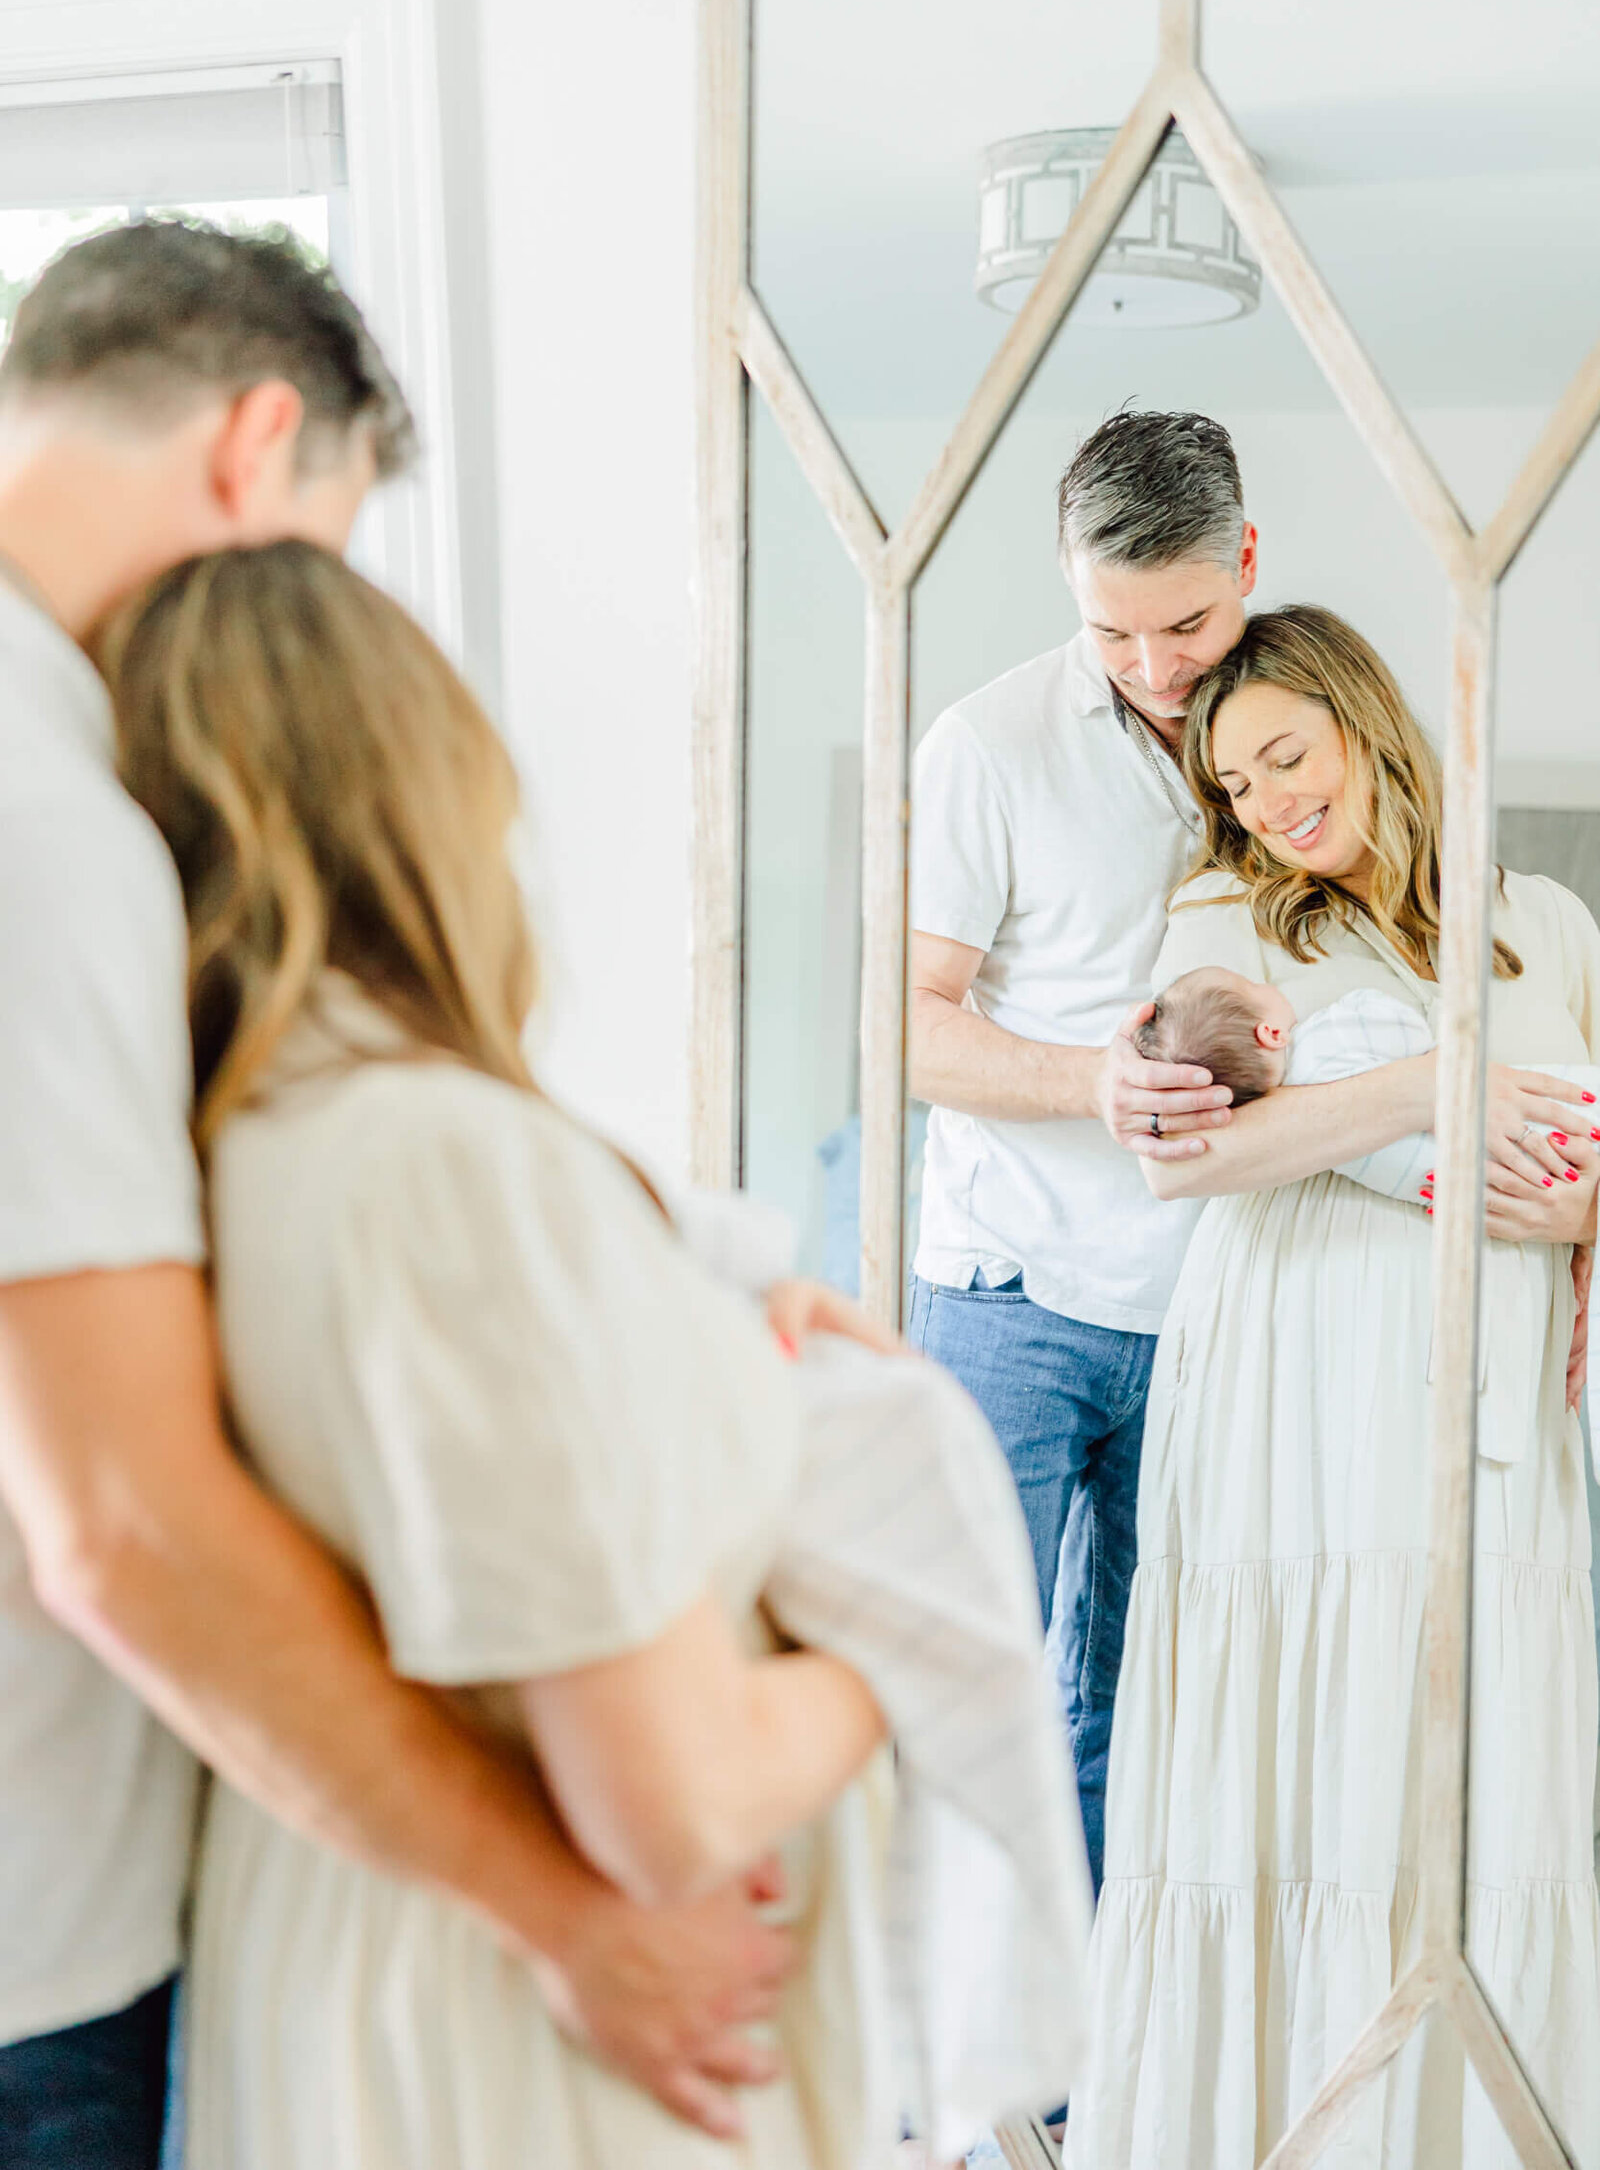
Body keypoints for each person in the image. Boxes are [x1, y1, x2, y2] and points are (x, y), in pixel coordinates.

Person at [0, 221, 793, 2169]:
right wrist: (568, 1914)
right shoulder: (39, 815)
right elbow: (114, 1523)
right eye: (332, 548)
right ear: (263, 445)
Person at [90, 536, 988, 2170]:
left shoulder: (228, 1157)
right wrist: (910, 1630)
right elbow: (680, 1799)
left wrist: (707, 1349)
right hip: (535, 2051)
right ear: (424, 792)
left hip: (369, 1976)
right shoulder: (442, 1168)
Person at [1067, 606, 1600, 2167]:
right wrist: (1433, 1086)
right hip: (1297, 1397)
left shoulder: (1550, 924)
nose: (1271, 803)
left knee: (1472, 1790)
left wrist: (1566, 1201)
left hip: (1491, 1402)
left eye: (1286, 755)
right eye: (1236, 784)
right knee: (1298, 1778)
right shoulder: (1227, 913)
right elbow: (1190, 1158)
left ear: (1366, 722)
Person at [907, 408, 1254, 1889]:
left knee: (1132, 1706)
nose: (1156, 667)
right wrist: (1086, 1083)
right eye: (1113, 633)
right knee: (959, 1699)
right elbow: (902, 1028)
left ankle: (1081, 2090)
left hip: (1215, 1312)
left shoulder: (1307, 738)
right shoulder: (986, 744)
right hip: (1007, 1301)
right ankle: (957, 2097)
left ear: (1248, 558)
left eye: (1185, 621)